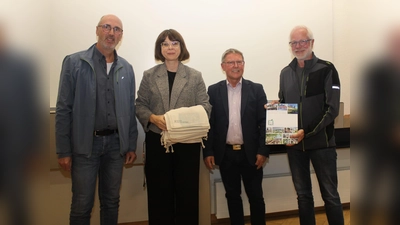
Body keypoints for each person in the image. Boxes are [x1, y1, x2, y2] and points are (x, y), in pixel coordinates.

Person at [55, 14, 138, 225]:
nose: (111, 33)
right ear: (97, 30)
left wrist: (130, 144)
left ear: (121, 35)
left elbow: (129, 108)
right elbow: (64, 109)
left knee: (111, 202)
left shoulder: (126, 68)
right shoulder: (74, 62)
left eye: (117, 29)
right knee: (82, 205)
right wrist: (63, 150)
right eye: (107, 27)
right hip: (85, 146)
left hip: (115, 147)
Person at [135, 29, 211, 225]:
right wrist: (153, 117)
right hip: (157, 141)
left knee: (187, 194)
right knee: (159, 194)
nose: (170, 47)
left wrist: (179, 119)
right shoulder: (150, 75)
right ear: (160, 49)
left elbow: (205, 106)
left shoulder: (194, 76)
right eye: (165, 44)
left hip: (187, 143)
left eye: (174, 43)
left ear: (181, 47)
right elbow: (140, 105)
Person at [278, 25, 344, 225]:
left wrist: (305, 132)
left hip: (322, 144)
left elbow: (331, 109)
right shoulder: (284, 73)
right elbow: (284, 104)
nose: (298, 46)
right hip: (295, 147)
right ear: (290, 46)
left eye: (303, 41)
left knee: (330, 195)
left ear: (312, 43)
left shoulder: (327, 69)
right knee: (303, 196)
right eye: (294, 42)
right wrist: (276, 108)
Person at [203, 48, 269, 225]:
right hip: (226, 155)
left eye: (239, 62)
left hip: (252, 154)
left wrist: (263, 150)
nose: (235, 66)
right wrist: (208, 151)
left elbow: (264, 122)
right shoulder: (213, 91)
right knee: (232, 197)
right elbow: (210, 124)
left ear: (244, 65)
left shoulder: (256, 89)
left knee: (256, 196)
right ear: (223, 66)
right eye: (231, 62)